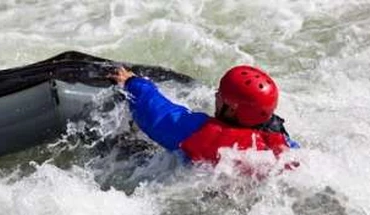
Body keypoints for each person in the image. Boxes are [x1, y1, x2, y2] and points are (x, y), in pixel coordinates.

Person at [108, 65, 299, 165]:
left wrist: (133, 83)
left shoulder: (205, 133)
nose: (216, 95)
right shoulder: (284, 145)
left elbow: (159, 116)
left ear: (231, 109)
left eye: (221, 95)